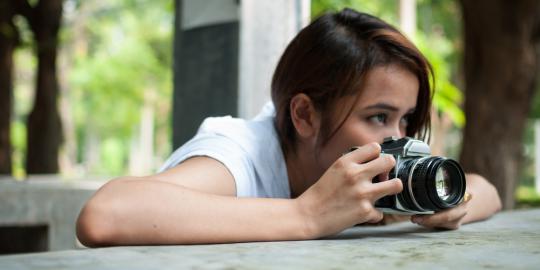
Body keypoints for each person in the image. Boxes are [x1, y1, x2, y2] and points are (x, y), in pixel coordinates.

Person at [76, 8, 501, 246]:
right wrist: (307, 215)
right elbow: (105, 215)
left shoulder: (378, 178)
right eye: (377, 117)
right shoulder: (238, 152)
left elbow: (489, 190)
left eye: (406, 119)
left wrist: (451, 205)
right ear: (304, 115)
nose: (399, 139)